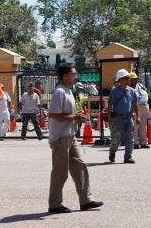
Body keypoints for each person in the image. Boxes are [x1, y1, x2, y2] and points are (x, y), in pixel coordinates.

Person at [47, 63, 103, 214]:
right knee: (60, 172)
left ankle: (86, 200)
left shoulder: (69, 91)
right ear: (65, 76)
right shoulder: (59, 92)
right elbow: (52, 114)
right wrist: (73, 117)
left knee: (80, 166)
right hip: (60, 138)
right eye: (73, 74)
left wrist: (76, 117)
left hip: (70, 136)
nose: (76, 76)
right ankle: (55, 204)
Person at [107, 69, 139, 164]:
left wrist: (138, 116)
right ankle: (112, 152)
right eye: (126, 78)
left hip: (129, 117)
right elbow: (110, 105)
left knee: (130, 137)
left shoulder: (132, 91)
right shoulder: (115, 91)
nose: (128, 80)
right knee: (116, 138)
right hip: (118, 117)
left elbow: (135, 104)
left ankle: (128, 156)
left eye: (128, 78)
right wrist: (109, 117)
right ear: (120, 80)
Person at [129, 72, 150, 149]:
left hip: (144, 106)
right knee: (135, 126)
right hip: (135, 107)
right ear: (130, 80)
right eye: (133, 79)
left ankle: (144, 142)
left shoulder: (140, 86)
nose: (135, 80)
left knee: (143, 126)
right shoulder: (128, 88)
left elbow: (146, 92)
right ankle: (135, 142)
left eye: (136, 79)